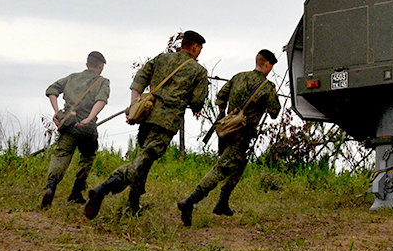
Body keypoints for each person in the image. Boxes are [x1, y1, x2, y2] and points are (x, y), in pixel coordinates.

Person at [84, 30, 209, 219]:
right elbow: (197, 102)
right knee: (141, 162)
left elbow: (138, 80)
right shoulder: (198, 71)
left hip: (147, 116)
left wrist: (134, 105)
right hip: (166, 123)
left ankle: (133, 206)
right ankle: (103, 189)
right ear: (194, 46)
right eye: (200, 49)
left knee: (143, 161)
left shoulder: (161, 58)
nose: (199, 52)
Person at [177, 49, 280, 226]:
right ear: (268, 64)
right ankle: (190, 201)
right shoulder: (267, 87)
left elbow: (220, 97)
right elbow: (275, 112)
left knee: (239, 165)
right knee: (222, 168)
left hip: (226, 131)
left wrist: (227, 116)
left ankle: (222, 203)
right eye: (271, 66)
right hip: (242, 134)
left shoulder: (238, 77)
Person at [40, 51, 110, 208]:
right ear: (101, 67)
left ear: (87, 65)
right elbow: (101, 100)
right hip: (87, 127)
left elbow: (52, 90)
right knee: (87, 156)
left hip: (69, 124)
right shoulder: (102, 82)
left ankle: (50, 187)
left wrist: (56, 111)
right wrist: (89, 118)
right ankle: (76, 192)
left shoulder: (72, 77)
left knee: (61, 155)